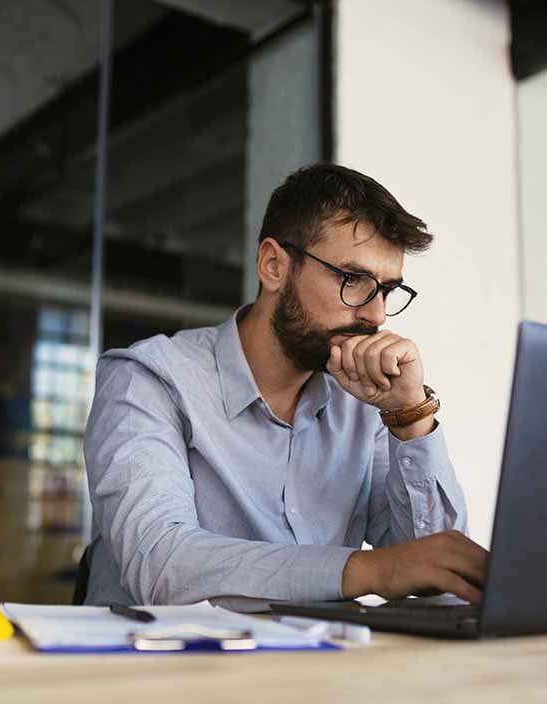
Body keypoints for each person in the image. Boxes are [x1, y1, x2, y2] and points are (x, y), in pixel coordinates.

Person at [82, 163, 488, 611]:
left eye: (387, 290)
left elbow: (435, 568)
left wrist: (410, 416)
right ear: (274, 265)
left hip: (313, 668)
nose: (375, 316)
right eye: (352, 280)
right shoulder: (147, 379)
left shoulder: (363, 402)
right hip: (159, 672)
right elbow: (160, 565)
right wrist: (372, 569)